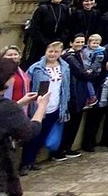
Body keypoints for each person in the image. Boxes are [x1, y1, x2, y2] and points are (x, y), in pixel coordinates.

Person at [1, 57, 50, 196]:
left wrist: (19, 103)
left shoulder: (8, 108)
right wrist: (41, 108)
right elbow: (29, 131)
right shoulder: (6, 109)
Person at [21, 41, 71, 171]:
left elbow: (66, 87)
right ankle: (25, 162)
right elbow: (27, 85)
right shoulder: (36, 67)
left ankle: (32, 161)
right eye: (50, 51)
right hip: (38, 107)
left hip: (56, 105)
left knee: (43, 136)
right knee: (33, 135)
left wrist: (64, 106)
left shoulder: (64, 67)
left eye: (56, 52)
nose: (52, 54)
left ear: (60, 53)